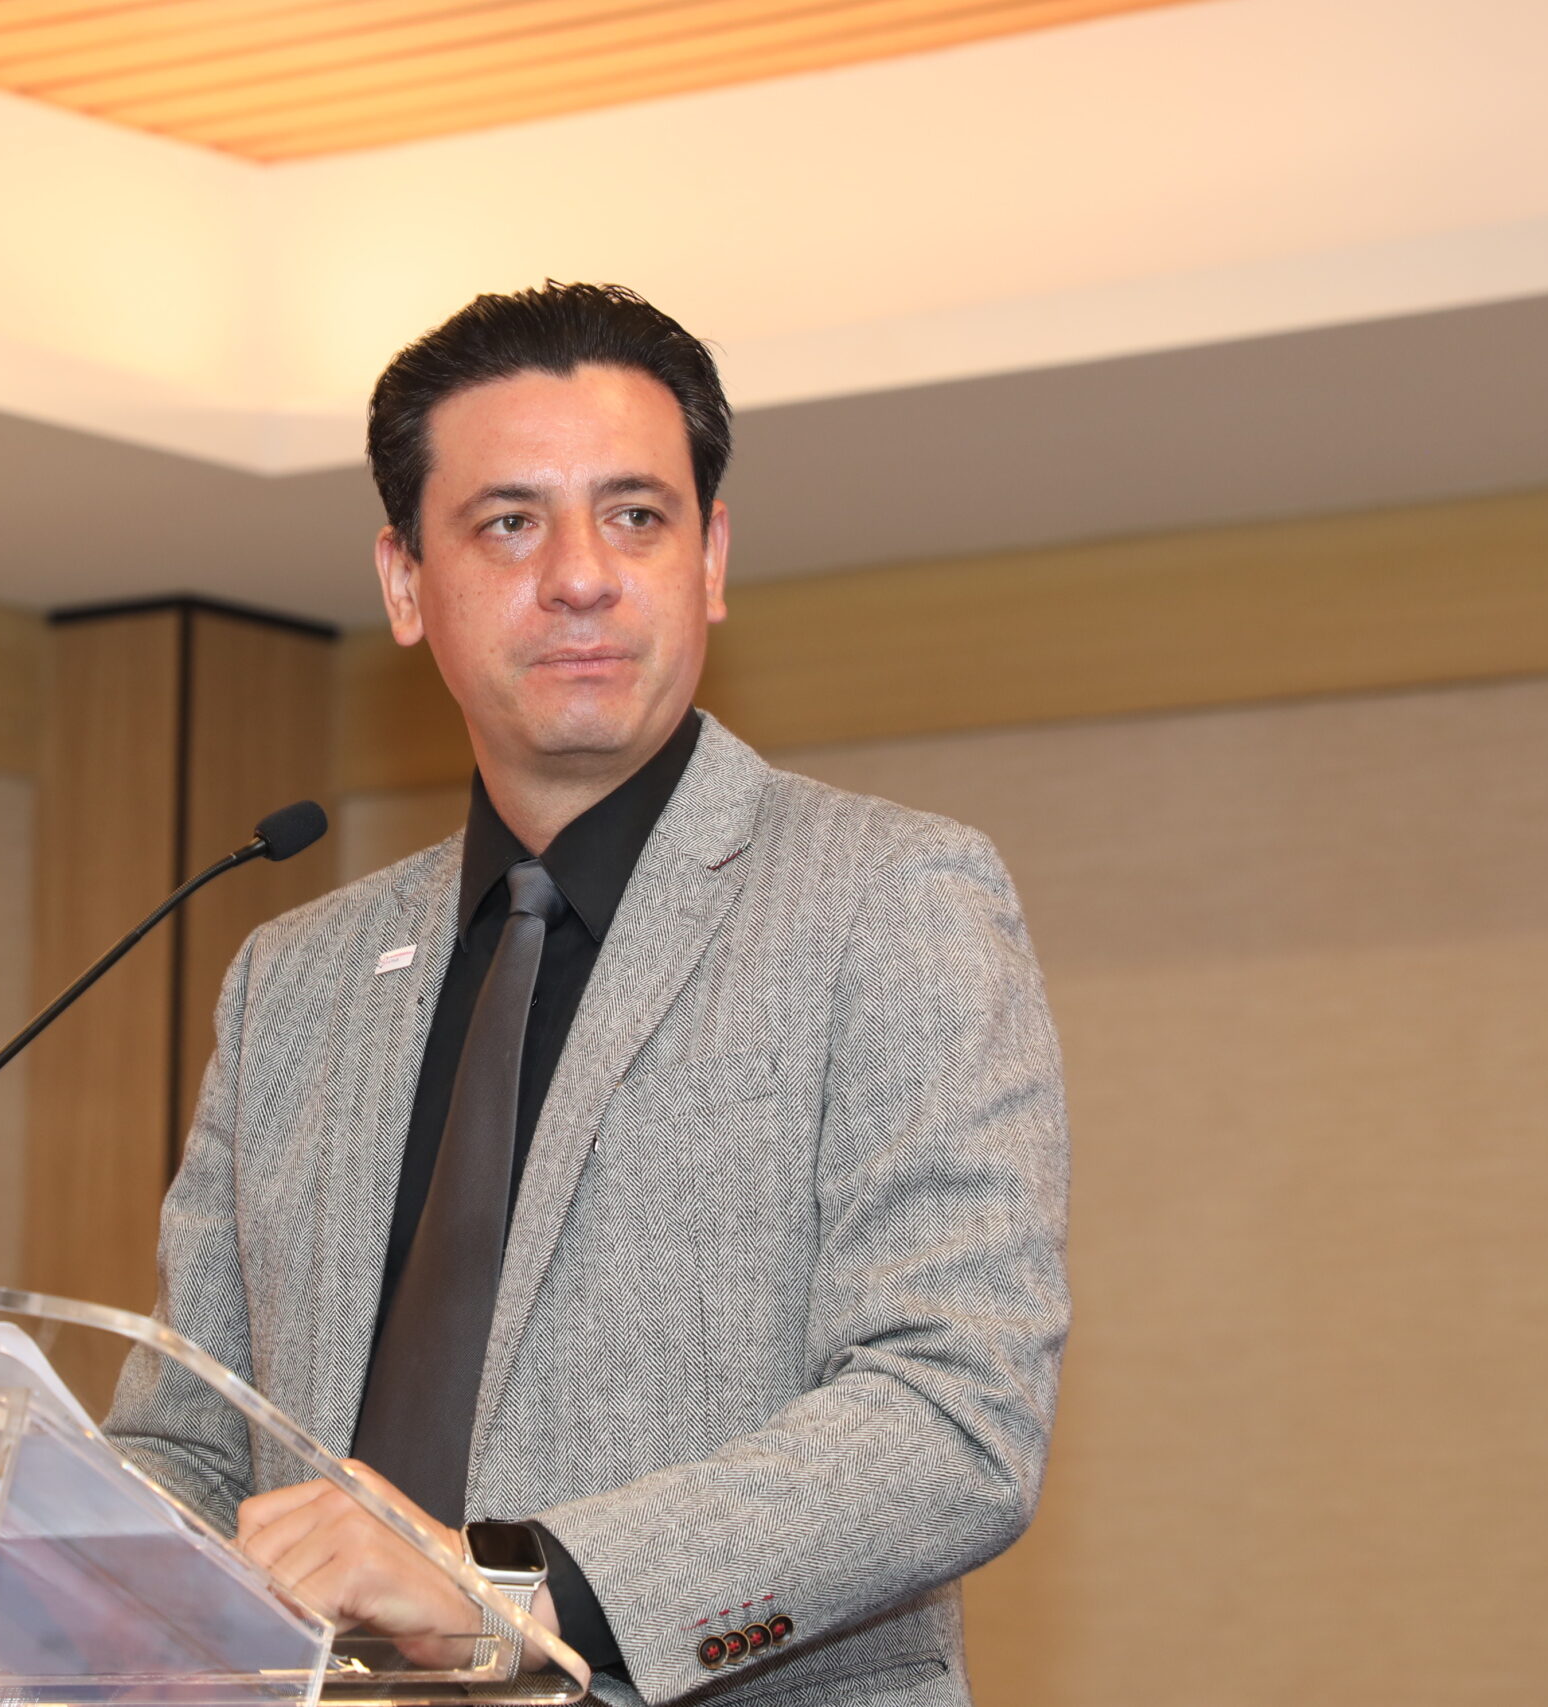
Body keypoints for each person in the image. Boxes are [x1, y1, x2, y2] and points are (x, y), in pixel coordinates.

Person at [106, 283, 1069, 1707]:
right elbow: (194, 1442)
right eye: (510, 522)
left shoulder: (891, 900)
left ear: (711, 558)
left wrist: (514, 1587)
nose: (581, 577)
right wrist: (8, 1549)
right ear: (403, 583)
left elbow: (954, 1414)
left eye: (635, 516)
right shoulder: (293, 982)